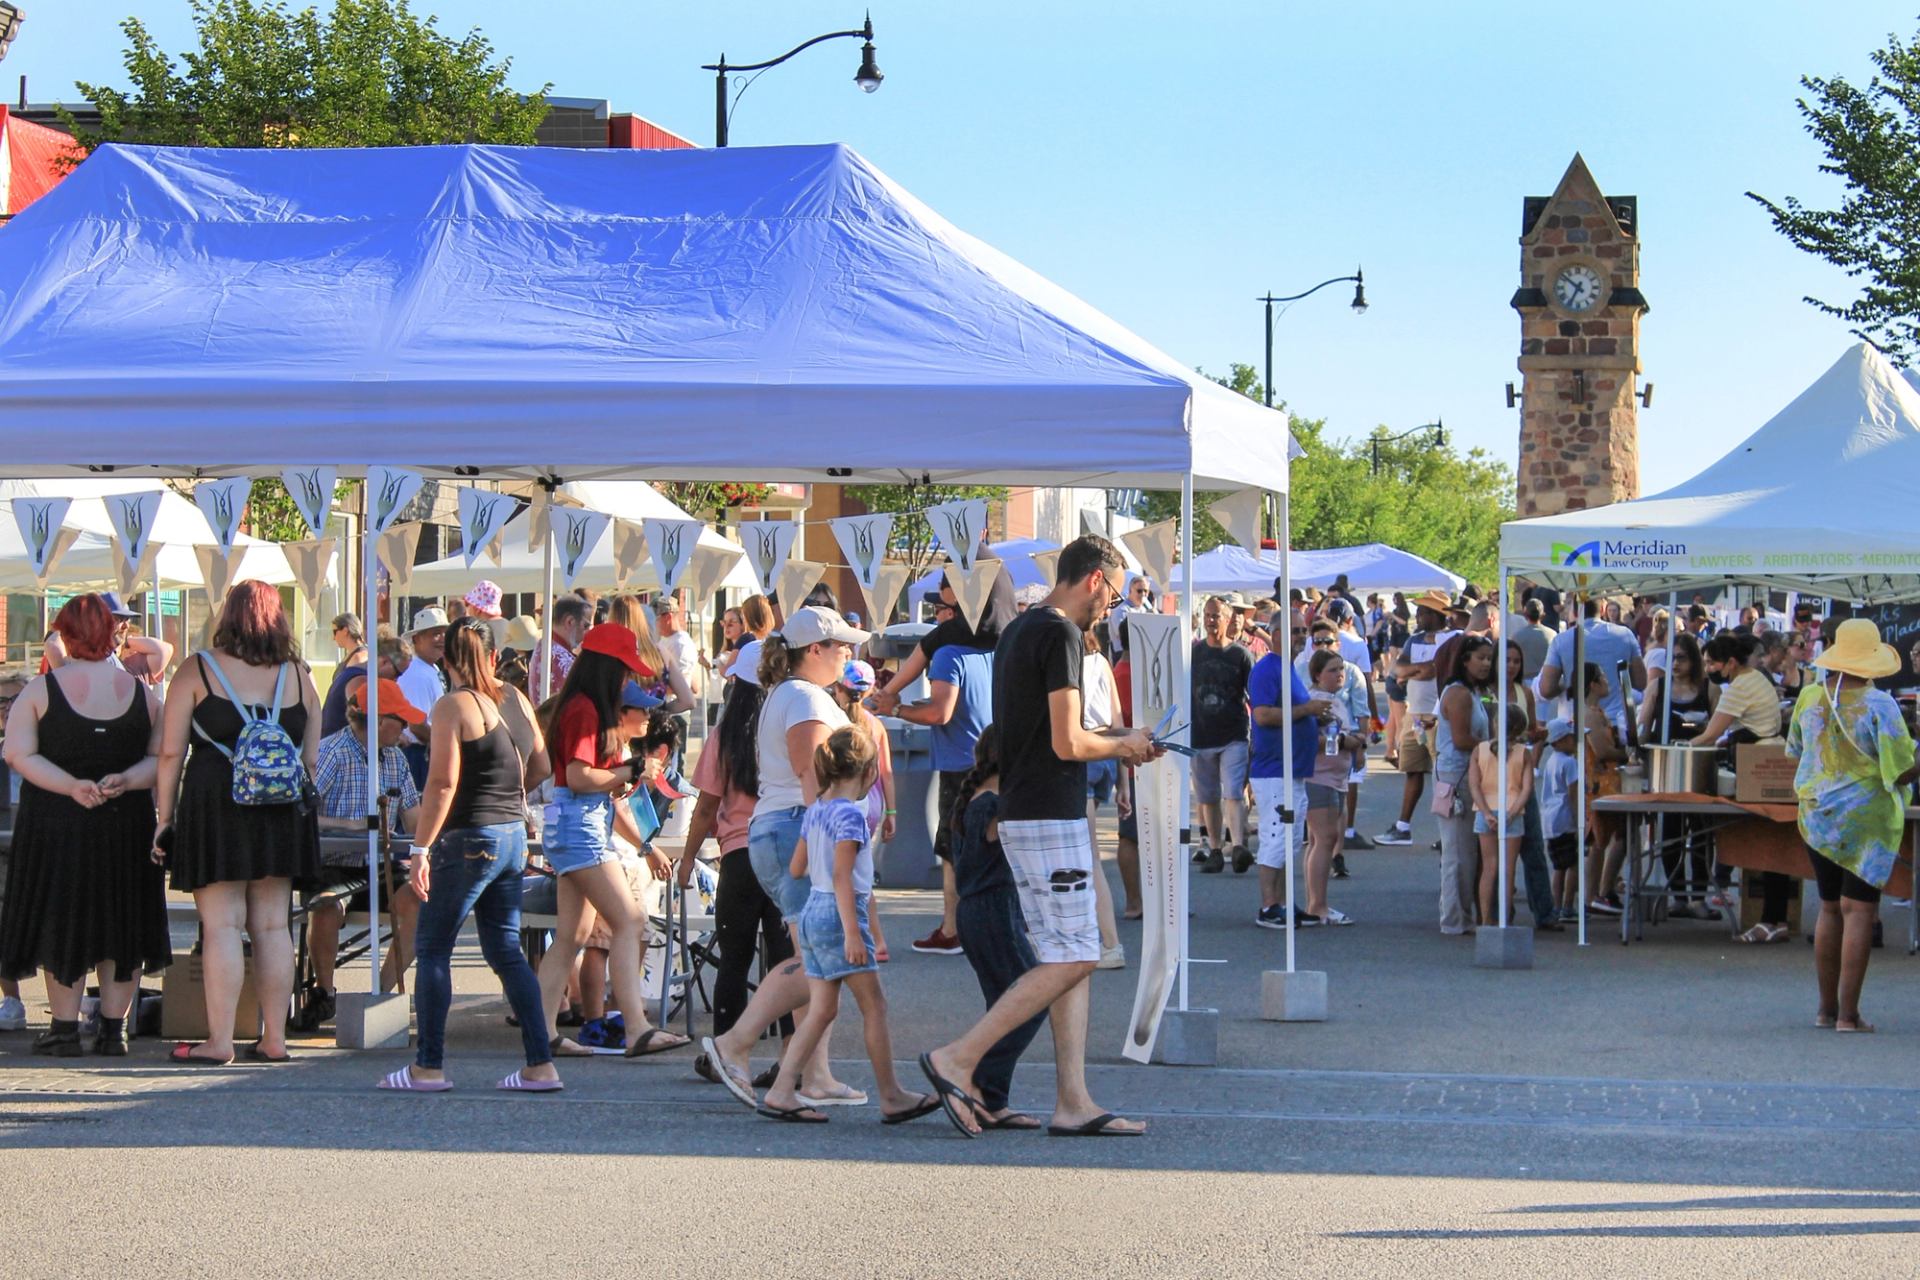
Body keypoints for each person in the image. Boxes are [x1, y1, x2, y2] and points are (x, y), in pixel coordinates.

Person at [918, 534, 1157, 1139]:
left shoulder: (1022, 630)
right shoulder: (1062, 634)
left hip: (1031, 809)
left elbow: (1050, 727)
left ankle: (1071, 1100)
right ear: (1097, 580)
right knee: (1078, 955)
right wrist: (1122, 745)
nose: (1109, 609)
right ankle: (959, 1057)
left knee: (1064, 955)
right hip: (1049, 813)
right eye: (1111, 595)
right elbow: (1068, 744)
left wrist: (1117, 732)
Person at [700, 607, 871, 1109]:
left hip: (784, 829)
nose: (848, 652)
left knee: (813, 955)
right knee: (816, 958)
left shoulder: (798, 695)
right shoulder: (803, 698)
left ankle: (812, 1073)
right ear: (812, 650)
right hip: (795, 828)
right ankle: (736, 1043)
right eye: (840, 644)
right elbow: (812, 777)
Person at [380, 615, 559, 1093]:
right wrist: (507, 794)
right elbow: (542, 762)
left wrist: (420, 849)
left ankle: (428, 1067)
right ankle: (540, 1065)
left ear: (447, 659)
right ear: (491, 655)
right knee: (505, 950)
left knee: (434, 947)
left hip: (469, 837)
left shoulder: (452, 706)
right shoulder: (515, 699)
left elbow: (442, 783)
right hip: (512, 836)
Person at [155, 581, 323, 1064]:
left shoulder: (197, 670)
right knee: (272, 927)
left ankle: (220, 1041)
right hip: (281, 811)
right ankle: (275, 1038)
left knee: (223, 926)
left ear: (227, 616)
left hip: (215, 806)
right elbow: (309, 758)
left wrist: (164, 818)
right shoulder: (298, 675)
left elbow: (170, 752)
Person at [0, 595, 168, 1056]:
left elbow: (18, 754)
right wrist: (127, 779)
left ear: (67, 634)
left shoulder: (42, 690)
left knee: (63, 919)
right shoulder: (141, 693)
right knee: (123, 920)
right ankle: (114, 1030)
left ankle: (64, 1028)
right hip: (125, 820)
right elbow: (163, 759)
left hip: (57, 823)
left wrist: (72, 785)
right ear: (112, 633)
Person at [754, 726, 938, 1124]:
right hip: (841, 914)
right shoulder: (852, 816)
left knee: (821, 1009)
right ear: (870, 773)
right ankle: (891, 1095)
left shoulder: (816, 810)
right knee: (875, 1006)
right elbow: (843, 876)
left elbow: (797, 867)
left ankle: (783, 1089)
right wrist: (855, 932)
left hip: (812, 913)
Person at [533, 622, 690, 1060]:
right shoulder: (584, 710)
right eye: (624, 670)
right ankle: (636, 1027)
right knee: (630, 920)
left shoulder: (579, 705)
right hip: (580, 831)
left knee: (573, 934)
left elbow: (582, 781)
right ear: (608, 668)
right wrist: (632, 771)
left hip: (574, 828)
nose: (628, 680)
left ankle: (542, 1031)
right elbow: (582, 777)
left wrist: (623, 777)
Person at [1787, 619, 1917, 1033]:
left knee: (1828, 907)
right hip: (1866, 821)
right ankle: (1849, 1015)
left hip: (1818, 815)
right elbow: (1900, 772)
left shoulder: (1809, 697)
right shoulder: (1880, 705)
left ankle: (1825, 1011)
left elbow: (1795, 751)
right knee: (1859, 911)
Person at [679, 642, 790, 1045]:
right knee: (786, 961)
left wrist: (689, 859)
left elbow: (706, 805)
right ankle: (791, 1055)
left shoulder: (725, 735)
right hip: (783, 851)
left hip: (739, 854)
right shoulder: (790, 728)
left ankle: (726, 1047)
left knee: (734, 960)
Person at [300, 678, 425, 1030]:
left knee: (419, 901)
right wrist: (354, 826)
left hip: (380, 866)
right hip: (334, 864)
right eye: (400, 719)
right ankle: (324, 992)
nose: (405, 727)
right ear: (378, 720)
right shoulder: (331, 753)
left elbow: (413, 817)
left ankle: (380, 992)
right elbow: (303, 813)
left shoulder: (396, 759)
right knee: (325, 905)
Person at [946, 727, 1046, 1128]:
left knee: (1003, 1005)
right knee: (1028, 1003)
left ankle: (991, 1096)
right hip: (992, 909)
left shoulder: (975, 798)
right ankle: (974, 1082)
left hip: (979, 910)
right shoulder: (993, 805)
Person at [879, 619, 994, 957]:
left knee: (951, 848)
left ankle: (951, 930)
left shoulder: (947, 654)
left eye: (941, 607)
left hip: (959, 763)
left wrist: (896, 708)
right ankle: (988, 925)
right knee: (988, 844)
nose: (938, 615)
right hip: (991, 755)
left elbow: (940, 712)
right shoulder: (992, 646)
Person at [1248, 630, 1330, 928]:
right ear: (1277, 632)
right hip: (1274, 770)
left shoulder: (1289, 668)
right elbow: (1263, 715)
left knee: (1290, 838)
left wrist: (1312, 718)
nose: (1300, 636)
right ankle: (1269, 906)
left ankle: (1282, 902)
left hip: (1292, 768)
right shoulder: (1268, 668)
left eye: (1301, 631)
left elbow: (1288, 712)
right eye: (1294, 630)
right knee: (1275, 836)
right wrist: (1307, 710)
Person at [1377, 589, 1459, 846]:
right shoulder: (1415, 640)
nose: (1418, 615)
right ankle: (1403, 827)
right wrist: (1414, 671)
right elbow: (1398, 668)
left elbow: (1432, 671)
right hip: (1414, 714)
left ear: (1436, 614)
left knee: (1442, 774)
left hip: (1440, 715)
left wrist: (1411, 672)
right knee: (1412, 769)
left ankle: (1447, 832)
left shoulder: (1454, 639)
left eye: (1423, 611)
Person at [832, 660, 894, 963]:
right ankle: (874, 938)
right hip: (873, 803)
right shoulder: (875, 724)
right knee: (860, 870)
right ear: (870, 689)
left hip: (845, 801)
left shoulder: (833, 722)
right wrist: (892, 812)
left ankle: (863, 937)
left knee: (842, 872)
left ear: (839, 687)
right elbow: (887, 772)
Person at [1434, 634, 1495, 935]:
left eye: (1488, 657)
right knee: (1458, 853)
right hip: (1457, 777)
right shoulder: (1458, 694)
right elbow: (1461, 740)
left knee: (1466, 852)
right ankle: (1454, 919)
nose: (1486, 663)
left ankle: (1461, 916)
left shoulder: (1471, 692)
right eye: (1480, 657)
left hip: (1466, 774)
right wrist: (1492, 748)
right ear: (1464, 660)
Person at [1192, 596, 1254, 874]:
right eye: (1207, 614)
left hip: (1234, 733)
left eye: (1216, 615)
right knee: (1207, 796)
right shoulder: (1194, 653)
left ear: (1228, 620)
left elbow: (1253, 695)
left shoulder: (1240, 655)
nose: (1210, 620)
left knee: (1233, 790)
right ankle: (1215, 849)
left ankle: (1238, 844)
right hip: (1201, 733)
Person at [1077, 625, 1127, 966]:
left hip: (1083, 750)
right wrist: (1124, 780)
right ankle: (1106, 942)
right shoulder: (1100, 661)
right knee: (1088, 855)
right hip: (1108, 750)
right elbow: (1118, 717)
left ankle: (1109, 942)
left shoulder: (1070, 664)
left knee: (1088, 857)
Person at [1301, 649, 1362, 926]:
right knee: (1325, 839)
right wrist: (1346, 742)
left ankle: (1316, 902)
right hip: (1319, 777)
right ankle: (1318, 906)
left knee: (1320, 840)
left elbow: (1345, 733)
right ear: (1317, 674)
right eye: (1333, 670)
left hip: (1336, 778)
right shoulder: (1315, 703)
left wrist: (1356, 741)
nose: (1340, 674)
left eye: (1342, 669)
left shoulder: (1335, 701)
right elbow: (1311, 741)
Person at [1539, 598, 1645, 736]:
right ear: (1602, 610)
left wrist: (1567, 683)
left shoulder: (1561, 641)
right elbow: (1641, 682)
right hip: (1616, 723)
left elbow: (1546, 689)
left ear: (1576, 612)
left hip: (1574, 724)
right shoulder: (1625, 635)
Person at [1470, 704, 1533, 929]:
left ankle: (1485, 918)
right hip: (1511, 811)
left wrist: (1486, 812)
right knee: (1508, 871)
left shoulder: (1480, 750)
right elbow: (1526, 789)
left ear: (1495, 724)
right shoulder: (1524, 753)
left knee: (1489, 868)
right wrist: (1512, 813)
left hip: (1485, 810)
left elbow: (1474, 786)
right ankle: (1504, 920)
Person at [397, 606, 450, 790]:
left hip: (426, 751)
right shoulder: (417, 674)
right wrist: (445, 747)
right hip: (418, 756)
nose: (442, 639)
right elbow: (417, 724)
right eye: (436, 634)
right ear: (417, 639)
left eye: (445, 633)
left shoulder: (429, 669)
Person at [1538, 719, 1583, 919]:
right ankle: (1567, 905)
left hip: (1550, 820)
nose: (1574, 740)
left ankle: (1556, 905)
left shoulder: (1551, 761)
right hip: (1565, 820)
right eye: (1571, 737)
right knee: (1573, 864)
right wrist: (1579, 820)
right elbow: (1573, 794)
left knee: (1558, 866)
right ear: (1561, 740)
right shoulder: (1570, 763)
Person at [532, 593, 591, 704]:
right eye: (586, 626)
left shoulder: (543, 645)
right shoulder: (562, 659)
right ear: (570, 622)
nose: (587, 633)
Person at [1513, 599, 1555, 682]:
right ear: (1543, 615)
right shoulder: (1552, 635)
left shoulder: (1517, 636)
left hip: (1524, 682)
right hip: (1545, 681)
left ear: (1525, 614)